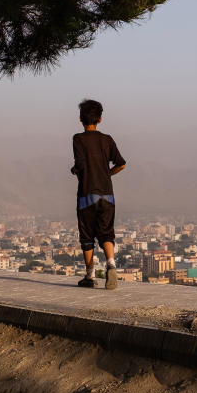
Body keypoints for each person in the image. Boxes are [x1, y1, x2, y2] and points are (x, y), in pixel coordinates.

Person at [71, 99, 126, 289]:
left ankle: (90, 276)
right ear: (100, 119)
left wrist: (75, 171)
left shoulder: (78, 139)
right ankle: (111, 264)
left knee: (87, 237)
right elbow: (121, 164)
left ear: (80, 119)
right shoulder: (107, 140)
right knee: (106, 234)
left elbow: (80, 165)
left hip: (87, 195)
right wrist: (107, 173)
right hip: (107, 195)